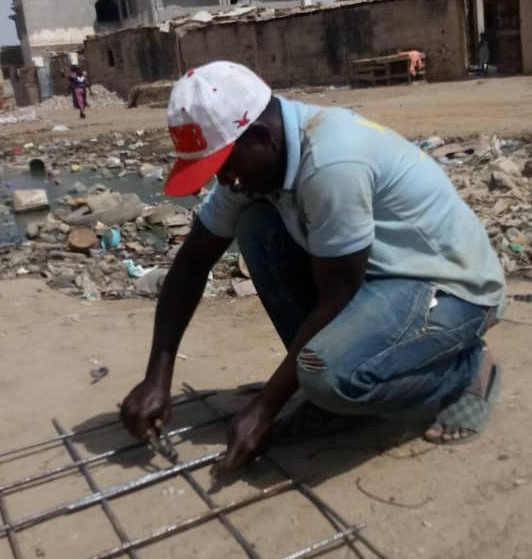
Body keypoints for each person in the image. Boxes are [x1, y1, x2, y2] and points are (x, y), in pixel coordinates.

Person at [120, 61, 506, 475]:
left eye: (226, 168)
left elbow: (337, 295)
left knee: (327, 376)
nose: (226, 182)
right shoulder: (253, 160)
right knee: (256, 226)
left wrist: (266, 406)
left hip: (449, 289)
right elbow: (194, 261)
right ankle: (337, 394)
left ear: (262, 138)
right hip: (381, 280)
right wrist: (157, 376)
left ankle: (465, 371)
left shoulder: (330, 162)